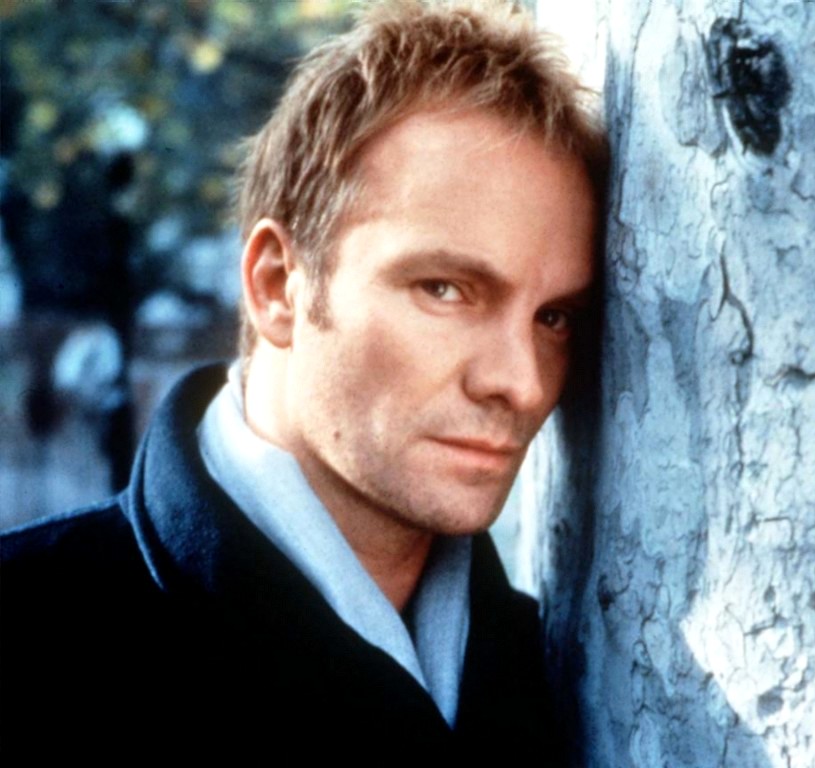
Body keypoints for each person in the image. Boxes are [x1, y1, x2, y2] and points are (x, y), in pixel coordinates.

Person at [0, 0, 605, 763]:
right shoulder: (29, 640)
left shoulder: (583, 681)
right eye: (445, 289)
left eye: (554, 317)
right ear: (277, 285)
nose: (521, 383)